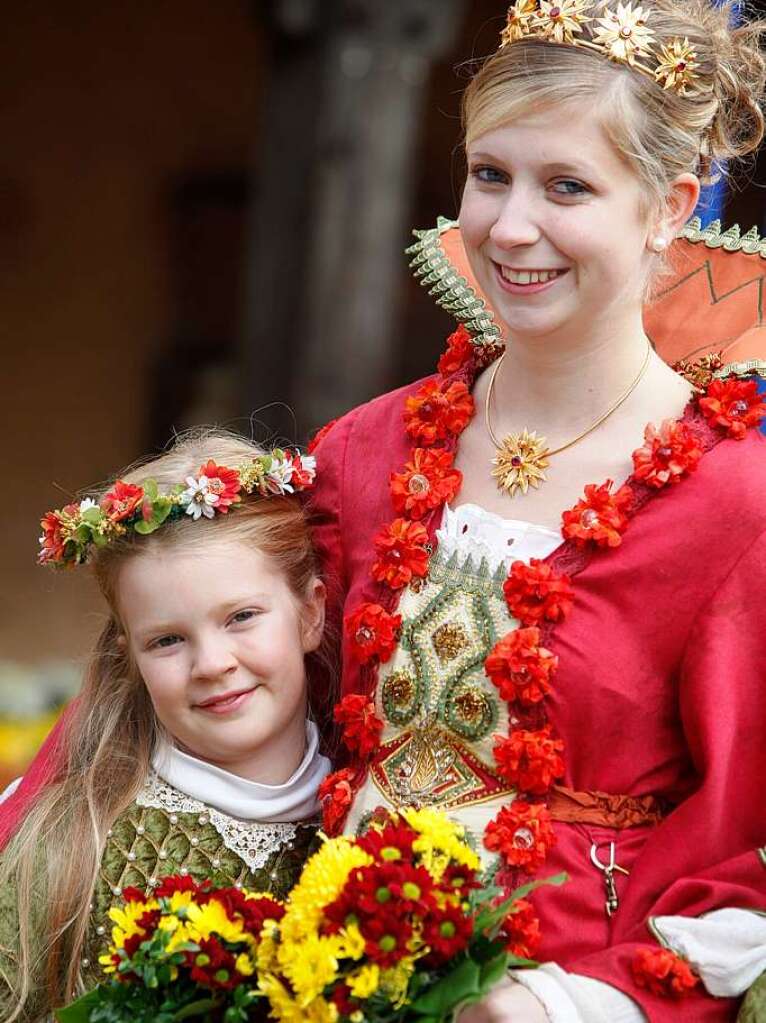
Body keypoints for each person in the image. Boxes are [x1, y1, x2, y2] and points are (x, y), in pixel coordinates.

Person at [308, 1, 766, 1020]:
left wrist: (565, 1005)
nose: (511, 227)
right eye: (489, 175)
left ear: (667, 205)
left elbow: (745, 842)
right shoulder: (361, 453)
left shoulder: (739, 507)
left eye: (567, 186)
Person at [0, 431, 331, 1022]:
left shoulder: (373, 813)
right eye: (168, 640)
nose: (212, 664)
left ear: (310, 613)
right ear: (131, 654)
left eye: (242, 617)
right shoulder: (75, 848)